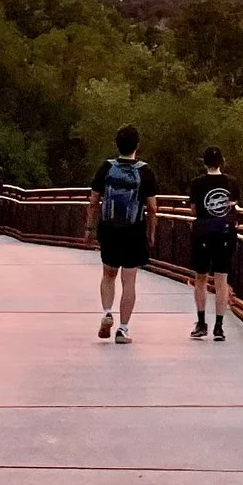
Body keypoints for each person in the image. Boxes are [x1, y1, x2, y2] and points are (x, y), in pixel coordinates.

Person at [88, 125, 157, 343]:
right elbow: (152, 207)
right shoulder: (145, 171)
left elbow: (93, 201)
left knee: (108, 274)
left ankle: (107, 312)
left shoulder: (106, 168)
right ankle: (123, 329)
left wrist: (89, 228)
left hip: (109, 229)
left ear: (117, 144)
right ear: (137, 145)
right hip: (133, 230)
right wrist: (151, 232)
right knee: (129, 280)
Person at [187, 146, 236, 341]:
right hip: (224, 234)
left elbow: (193, 210)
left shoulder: (197, 184)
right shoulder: (231, 183)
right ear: (222, 161)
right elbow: (233, 207)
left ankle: (201, 323)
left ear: (204, 162)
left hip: (203, 235)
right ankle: (219, 327)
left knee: (201, 278)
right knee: (221, 280)